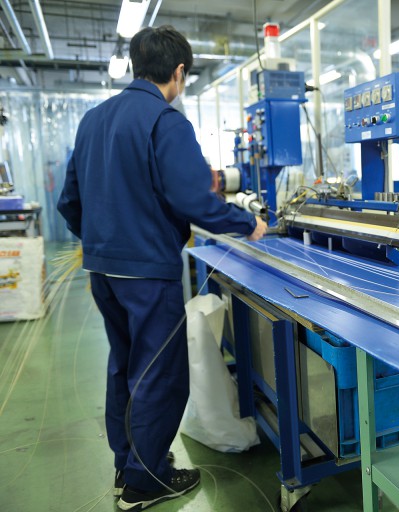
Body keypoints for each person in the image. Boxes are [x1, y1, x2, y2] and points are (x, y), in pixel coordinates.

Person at [57, 25, 267, 511]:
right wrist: (247, 223)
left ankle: (128, 463)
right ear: (178, 72)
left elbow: (69, 199)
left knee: (125, 366)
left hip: (103, 272)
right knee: (158, 373)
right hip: (148, 274)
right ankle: (145, 482)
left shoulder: (92, 120)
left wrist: (101, 242)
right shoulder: (166, 122)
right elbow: (194, 200)